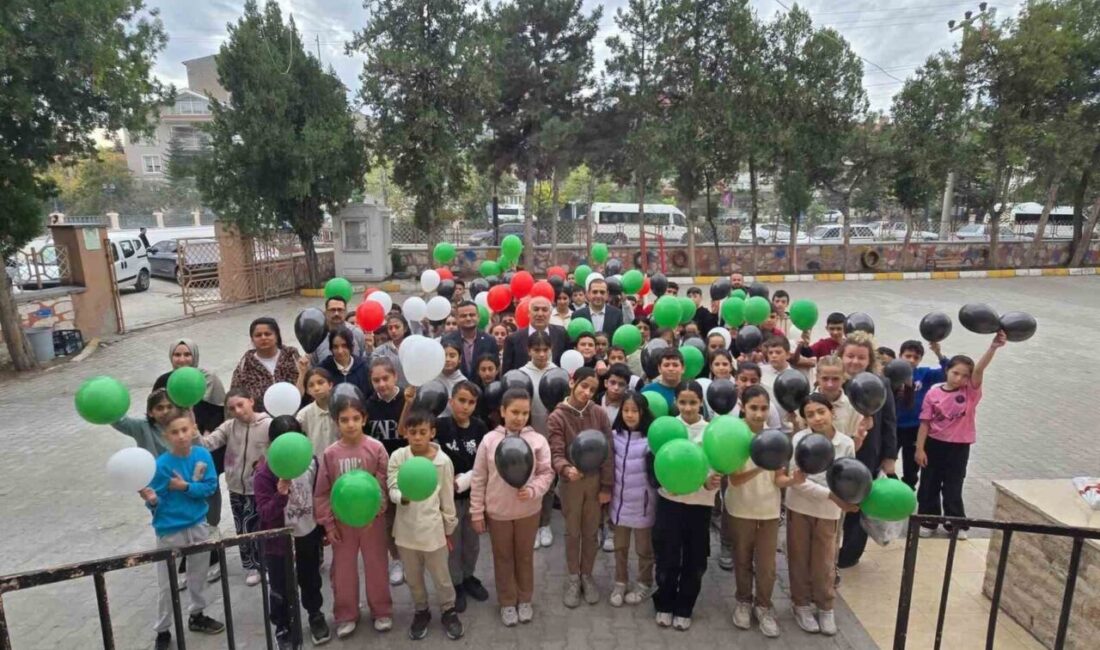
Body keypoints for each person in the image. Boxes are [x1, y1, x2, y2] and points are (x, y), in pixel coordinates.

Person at [139, 408, 224, 650]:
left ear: (193, 429)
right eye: (174, 432)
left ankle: (197, 614)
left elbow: (209, 488)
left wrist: (185, 487)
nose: (181, 436)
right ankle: (163, 629)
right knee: (167, 584)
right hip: (170, 530)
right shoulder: (160, 465)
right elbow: (155, 501)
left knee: (198, 575)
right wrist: (152, 499)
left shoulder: (202, 455)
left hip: (198, 525)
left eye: (185, 430)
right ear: (166, 436)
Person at [469, 389, 555, 627]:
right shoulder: (489, 441)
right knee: (503, 558)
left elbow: (546, 473)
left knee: (525, 557)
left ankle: (525, 599)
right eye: (514, 412)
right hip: (498, 513)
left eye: (525, 413)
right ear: (503, 412)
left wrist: (534, 489)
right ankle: (507, 602)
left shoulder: (537, 440)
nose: (519, 417)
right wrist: (477, 512)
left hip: (528, 511)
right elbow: (478, 478)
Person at [313, 396, 393, 639]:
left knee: (377, 565)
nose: (350, 424)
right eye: (344, 420)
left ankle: (381, 610)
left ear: (364, 419)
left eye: (356, 419)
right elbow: (322, 491)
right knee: (343, 570)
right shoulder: (330, 454)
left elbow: (383, 484)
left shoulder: (376, 448)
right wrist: (328, 524)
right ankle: (346, 614)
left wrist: (378, 510)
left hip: (373, 521)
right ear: (337, 422)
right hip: (342, 522)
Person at [916, 332, 1005, 538]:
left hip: (959, 446)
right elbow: (925, 423)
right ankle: (928, 521)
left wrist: (993, 347)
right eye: (955, 373)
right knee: (929, 484)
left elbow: (980, 369)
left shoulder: (970, 392)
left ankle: (954, 523)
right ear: (947, 371)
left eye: (965, 375)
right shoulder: (933, 392)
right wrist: (920, 449)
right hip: (934, 444)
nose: (960, 378)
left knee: (953, 485)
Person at [728, 385, 799, 638]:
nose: (759, 414)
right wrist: (760, 465)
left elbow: (779, 479)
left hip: (768, 511)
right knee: (742, 559)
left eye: (764, 408)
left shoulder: (776, 439)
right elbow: (734, 480)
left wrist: (794, 480)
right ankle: (743, 602)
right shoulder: (735, 436)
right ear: (743, 408)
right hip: (740, 509)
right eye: (753, 408)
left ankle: (764, 606)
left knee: (767, 565)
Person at [387, 408, 463, 640]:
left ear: (432, 432)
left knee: (441, 576)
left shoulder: (443, 462)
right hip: (406, 532)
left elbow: (447, 498)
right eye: (413, 432)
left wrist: (448, 528)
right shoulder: (399, 457)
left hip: (433, 532)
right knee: (413, 577)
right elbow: (392, 486)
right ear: (405, 433)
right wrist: (403, 497)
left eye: (422, 432)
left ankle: (448, 610)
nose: (417, 437)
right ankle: (421, 610)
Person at [785, 394, 857, 636]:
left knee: (825, 561)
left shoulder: (845, 443)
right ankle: (801, 604)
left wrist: (843, 499)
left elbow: (848, 478)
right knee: (798, 557)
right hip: (799, 508)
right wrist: (830, 495)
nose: (816, 418)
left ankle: (826, 606)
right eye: (810, 414)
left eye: (821, 412)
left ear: (832, 413)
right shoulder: (799, 440)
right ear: (804, 419)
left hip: (829, 513)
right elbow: (796, 481)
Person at [253, 422, 330, 647]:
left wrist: (323, 529)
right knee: (280, 586)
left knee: (311, 579)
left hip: (307, 533)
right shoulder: (264, 474)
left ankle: (315, 614)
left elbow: (320, 497)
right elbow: (265, 513)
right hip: (278, 542)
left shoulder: (312, 463)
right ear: (272, 446)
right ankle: (283, 626)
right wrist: (280, 494)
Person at [653, 381, 720, 630]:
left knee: (695, 558)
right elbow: (657, 461)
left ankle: (685, 606)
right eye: (683, 402)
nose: (688, 407)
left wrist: (712, 480)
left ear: (701, 402)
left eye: (693, 402)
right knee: (668, 555)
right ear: (675, 403)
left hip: (700, 504)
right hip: (670, 502)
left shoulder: (712, 431)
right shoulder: (668, 428)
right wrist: (664, 480)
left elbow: (717, 463)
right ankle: (664, 602)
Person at [548, 367, 614, 608]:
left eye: (592, 389)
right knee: (572, 531)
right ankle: (573, 577)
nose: (587, 392)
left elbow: (608, 453)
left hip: (595, 481)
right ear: (572, 382)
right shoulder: (558, 417)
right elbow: (555, 451)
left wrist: (606, 485)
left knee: (590, 531)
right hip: (571, 483)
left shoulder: (599, 414)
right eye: (583, 386)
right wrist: (565, 468)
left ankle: (587, 575)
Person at [836, 332, 897, 569]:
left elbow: (891, 422)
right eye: (850, 356)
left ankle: (850, 554)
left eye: (861, 357)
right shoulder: (833, 381)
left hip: (867, 454)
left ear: (869, 360)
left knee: (859, 505)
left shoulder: (880, 384)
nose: (854, 362)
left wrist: (889, 457)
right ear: (841, 356)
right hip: (839, 450)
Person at [200, 388, 272, 586]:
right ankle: (250, 566)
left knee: (259, 528)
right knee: (241, 528)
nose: (237, 411)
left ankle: (264, 565)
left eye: (241, 405)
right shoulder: (229, 426)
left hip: (258, 488)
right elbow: (208, 443)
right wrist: (191, 430)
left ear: (251, 400)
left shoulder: (268, 424)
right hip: (235, 487)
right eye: (232, 408)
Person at [435, 382, 490, 612]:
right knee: (452, 543)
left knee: (472, 542)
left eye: (471, 402)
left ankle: (468, 576)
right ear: (451, 401)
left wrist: (469, 478)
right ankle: (455, 583)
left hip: (474, 496)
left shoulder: (480, 428)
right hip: (447, 499)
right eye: (461, 400)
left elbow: (486, 461)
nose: (465, 406)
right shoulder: (440, 426)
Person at [608, 392, 657, 607]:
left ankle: (644, 583)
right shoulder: (614, 435)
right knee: (620, 547)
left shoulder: (651, 440)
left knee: (644, 549)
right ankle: (620, 582)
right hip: (618, 504)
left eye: (634, 411)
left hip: (643, 505)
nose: (629, 415)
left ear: (643, 413)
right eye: (625, 410)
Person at [364, 357, 408, 586]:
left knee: (410, 514)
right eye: (376, 380)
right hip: (382, 471)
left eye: (385, 379)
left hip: (408, 468)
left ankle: (413, 558)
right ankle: (397, 559)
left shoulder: (407, 400)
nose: (381, 384)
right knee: (389, 518)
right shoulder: (368, 405)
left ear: (395, 377)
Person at [895, 340, 948, 490]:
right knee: (885, 462)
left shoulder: (924, 374)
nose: (911, 360)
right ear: (900, 356)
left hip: (915, 429)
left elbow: (948, 372)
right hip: (894, 427)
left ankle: (906, 494)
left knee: (911, 469)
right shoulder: (892, 373)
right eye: (908, 356)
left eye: (916, 357)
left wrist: (939, 353)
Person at [232, 318, 302, 412]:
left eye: (268, 334)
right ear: (252, 339)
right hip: (261, 420)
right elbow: (235, 397)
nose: (263, 338)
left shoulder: (292, 358)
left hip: (298, 413)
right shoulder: (244, 366)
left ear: (277, 336)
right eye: (258, 335)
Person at [501, 296, 568, 372]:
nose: (540, 314)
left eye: (544, 310)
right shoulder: (513, 339)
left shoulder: (561, 334)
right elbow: (507, 374)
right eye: (536, 309)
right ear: (529, 313)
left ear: (550, 313)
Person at [310, 327, 372, 400]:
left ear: (351, 346)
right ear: (330, 348)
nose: (340, 351)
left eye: (344, 346)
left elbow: (369, 396)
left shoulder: (363, 368)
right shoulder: (323, 370)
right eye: (335, 347)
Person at [111, 388, 175, 456]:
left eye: (170, 407)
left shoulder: (184, 425)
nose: (165, 412)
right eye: (160, 408)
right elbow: (118, 421)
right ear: (150, 412)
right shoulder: (142, 427)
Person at [443, 301, 497, 378]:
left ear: (478, 317)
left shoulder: (489, 340)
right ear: (457, 319)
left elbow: (494, 368)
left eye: (472, 315)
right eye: (463, 316)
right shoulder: (447, 340)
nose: (468, 318)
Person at [311, 297, 367, 365]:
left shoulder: (357, 333)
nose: (336, 313)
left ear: (346, 312)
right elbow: (313, 366)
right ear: (325, 313)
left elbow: (364, 362)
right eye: (332, 310)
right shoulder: (317, 337)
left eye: (340, 310)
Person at [296, 368, 337, 456]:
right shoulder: (303, 415)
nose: (317, 388)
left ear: (330, 385)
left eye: (321, 383)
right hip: (316, 464)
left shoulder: (341, 408)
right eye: (311, 385)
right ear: (307, 391)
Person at [372, 314, 412, 388]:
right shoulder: (379, 351)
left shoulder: (413, 348)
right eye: (390, 328)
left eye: (397, 327)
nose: (393, 331)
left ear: (405, 328)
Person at [436, 341, 468, 414]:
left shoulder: (463, 382)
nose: (447, 359)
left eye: (452, 356)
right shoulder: (432, 377)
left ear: (459, 359)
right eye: (444, 356)